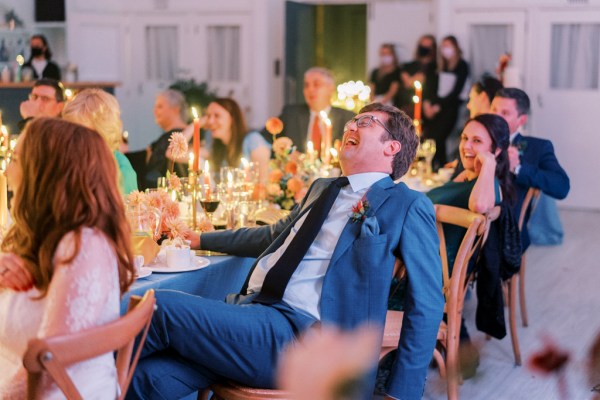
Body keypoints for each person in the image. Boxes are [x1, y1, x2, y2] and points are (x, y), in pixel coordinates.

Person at [126, 103, 444, 400]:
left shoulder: (408, 204)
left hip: (307, 342)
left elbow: (428, 302)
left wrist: (401, 393)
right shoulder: (323, 187)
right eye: (352, 119)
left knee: (158, 306)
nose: (350, 125)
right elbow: (275, 235)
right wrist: (201, 239)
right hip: (256, 314)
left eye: (365, 121)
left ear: (392, 147)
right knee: (145, 378)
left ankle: (81, 373)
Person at [0, 117, 135, 398]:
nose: (7, 169)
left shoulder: (84, 247)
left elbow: (49, 364)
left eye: (14, 157)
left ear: (45, 173)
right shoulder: (59, 239)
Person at [490, 88, 570, 250]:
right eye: (494, 110)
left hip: (505, 231)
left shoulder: (537, 147)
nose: (495, 118)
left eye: (505, 113)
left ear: (522, 120)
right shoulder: (473, 139)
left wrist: (518, 168)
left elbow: (562, 187)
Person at [62, 88, 138, 195]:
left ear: (104, 132)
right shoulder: (67, 160)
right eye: (71, 129)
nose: (74, 138)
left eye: (83, 133)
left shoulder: (122, 172)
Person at [262, 67, 355, 154]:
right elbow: (263, 139)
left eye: (316, 84)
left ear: (331, 89)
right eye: (306, 85)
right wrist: (287, 152)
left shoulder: (348, 118)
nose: (310, 89)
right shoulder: (291, 114)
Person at [424, 35, 470, 169]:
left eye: (448, 46)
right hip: (435, 107)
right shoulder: (438, 66)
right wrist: (428, 104)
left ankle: (440, 167)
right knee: (432, 138)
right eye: (443, 46)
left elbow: (456, 91)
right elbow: (431, 88)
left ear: (456, 48)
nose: (446, 50)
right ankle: (434, 168)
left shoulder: (462, 66)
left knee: (440, 137)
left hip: (450, 108)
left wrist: (439, 106)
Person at [203, 98, 271, 186]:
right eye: (208, 116)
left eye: (217, 115)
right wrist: (195, 124)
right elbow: (180, 154)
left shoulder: (253, 140)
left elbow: (263, 184)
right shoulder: (215, 146)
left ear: (232, 118)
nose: (210, 121)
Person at [141, 89, 190, 189]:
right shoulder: (164, 138)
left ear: (176, 109)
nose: (154, 111)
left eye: (160, 106)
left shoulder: (188, 137)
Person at [395, 34, 438, 119]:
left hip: (422, 108)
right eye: (423, 45)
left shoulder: (434, 69)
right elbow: (407, 81)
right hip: (403, 105)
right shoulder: (408, 66)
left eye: (428, 46)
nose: (424, 48)